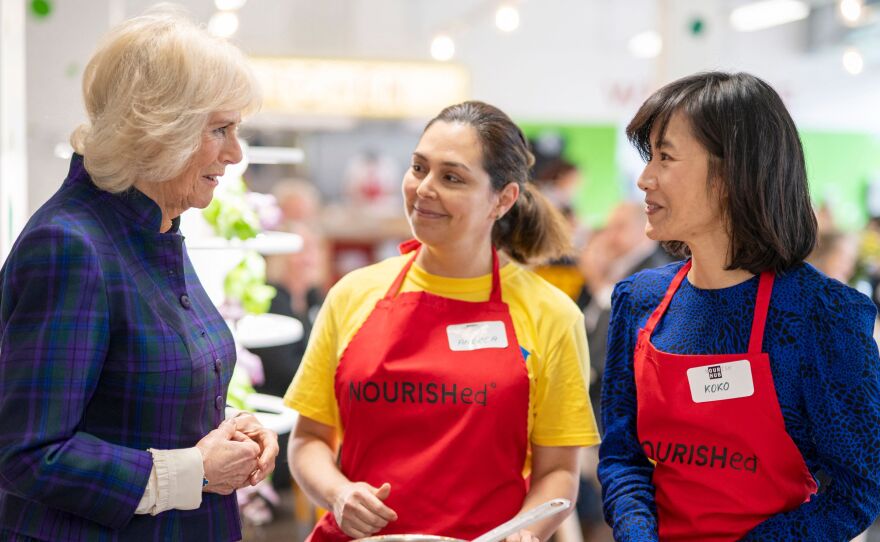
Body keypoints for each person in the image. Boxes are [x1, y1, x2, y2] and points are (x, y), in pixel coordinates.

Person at [0, 7, 279, 540]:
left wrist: (229, 430)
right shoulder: (71, 245)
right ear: (158, 129)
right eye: (220, 128)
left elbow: (133, 395)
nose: (235, 152)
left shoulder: (151, 226)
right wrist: (194, 470)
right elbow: (27, 453)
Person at [285, 101, 600, 541]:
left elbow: (559, 473)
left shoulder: (550, 314)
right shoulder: (352, 295)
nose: (424, 188)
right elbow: (308, 441)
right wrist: (339, 493)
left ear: (503, 198)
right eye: (418, 168)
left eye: (452, 177)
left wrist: (526, 532)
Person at [598, 71, 880, 541]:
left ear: (731, 174)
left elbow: (858, 490)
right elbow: (622, 455)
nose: (644, 179)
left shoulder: (822, 317)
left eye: (665, 157)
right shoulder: (639, 301)